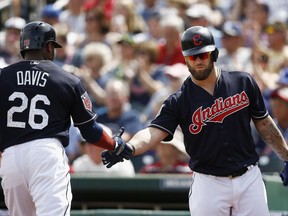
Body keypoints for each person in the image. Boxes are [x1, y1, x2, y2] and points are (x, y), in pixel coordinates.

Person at [102, 26, 288, 216]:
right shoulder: (179, 100)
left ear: (214, 54)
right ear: (185, 59)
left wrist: (287, 156)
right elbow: (154, 131)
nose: (198, 61)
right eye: (192, 57)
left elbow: (264, 123)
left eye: (203, 55)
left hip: (248, 177)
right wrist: (130, 147)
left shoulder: (243, 82)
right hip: (209, 183)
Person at [0, 21, 125, 216]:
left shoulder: (3, 76)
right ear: (49, 47)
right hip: (46, 154)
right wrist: (114, 144)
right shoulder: (67, 80)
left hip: (10, 158)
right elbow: (90, 132)